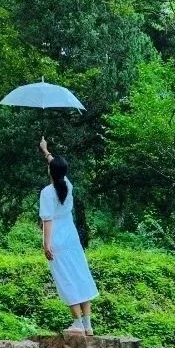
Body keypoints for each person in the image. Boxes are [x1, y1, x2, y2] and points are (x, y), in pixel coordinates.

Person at [39, 136, 98, 334]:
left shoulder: (47, 192)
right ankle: (88, 324)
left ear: (50, 171)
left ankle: (77, 323)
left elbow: (47, 220)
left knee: (66, 279)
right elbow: (57, 168)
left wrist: (46, 245)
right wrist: (46, 151)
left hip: (57, 239)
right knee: (80, 275)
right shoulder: (67, 185)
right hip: (71, 238)